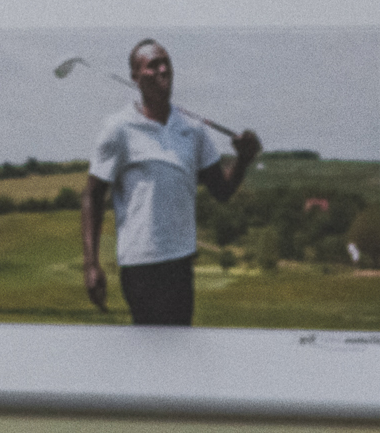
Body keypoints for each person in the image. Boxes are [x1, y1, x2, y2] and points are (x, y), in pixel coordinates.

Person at [82, 41, 261, 327]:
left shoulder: (194, 129)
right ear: (135, 76)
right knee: (150, 345)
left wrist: (242, 160)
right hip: (140, 264)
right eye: (153, 65)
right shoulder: (118, 128)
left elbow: (222, 190)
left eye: (166, 63)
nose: (163, 69)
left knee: (178, 342)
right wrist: (91, 264)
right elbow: (92, 196)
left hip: (181, 261)